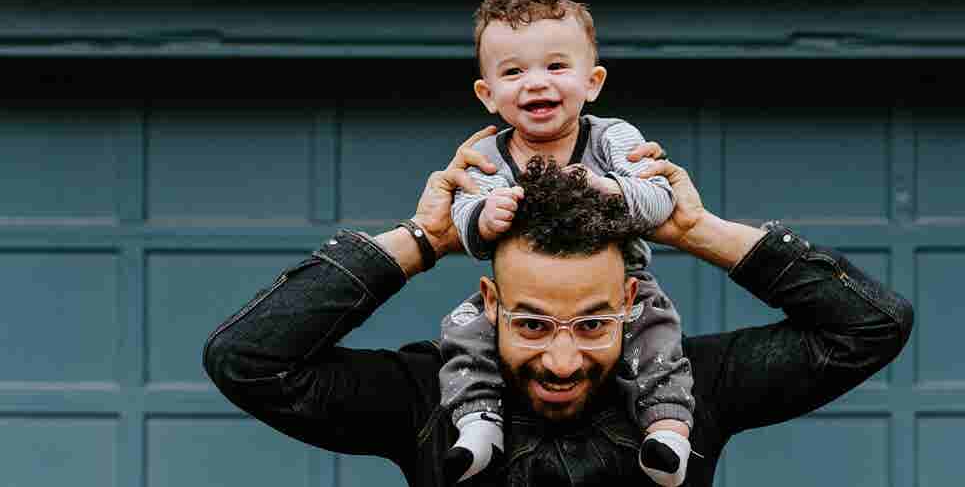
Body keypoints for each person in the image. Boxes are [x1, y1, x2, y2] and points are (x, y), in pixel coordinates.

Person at [202, 126, 914, 486]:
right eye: (533, 323)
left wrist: (696, 231)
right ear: (490, 302)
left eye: (594, 323)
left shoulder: (695, 386)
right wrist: (423, 241)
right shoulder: (425, 397)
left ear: (631, 299)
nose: (563, 358)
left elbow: (869, 325)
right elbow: (249, 360)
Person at [442, 0, 693, 486]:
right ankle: (477, 423)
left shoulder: (612, 138)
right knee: (464, 330)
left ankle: (667, 429)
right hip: (522, 297)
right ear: (488, 94)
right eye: (513, 72)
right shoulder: (488, 153)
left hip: (622, 281)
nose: (536, 82)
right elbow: (464, 218)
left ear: (592, 82)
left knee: (656, 331)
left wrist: (614, 191)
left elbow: (658, 198)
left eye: (556, 66)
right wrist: (482, 217)